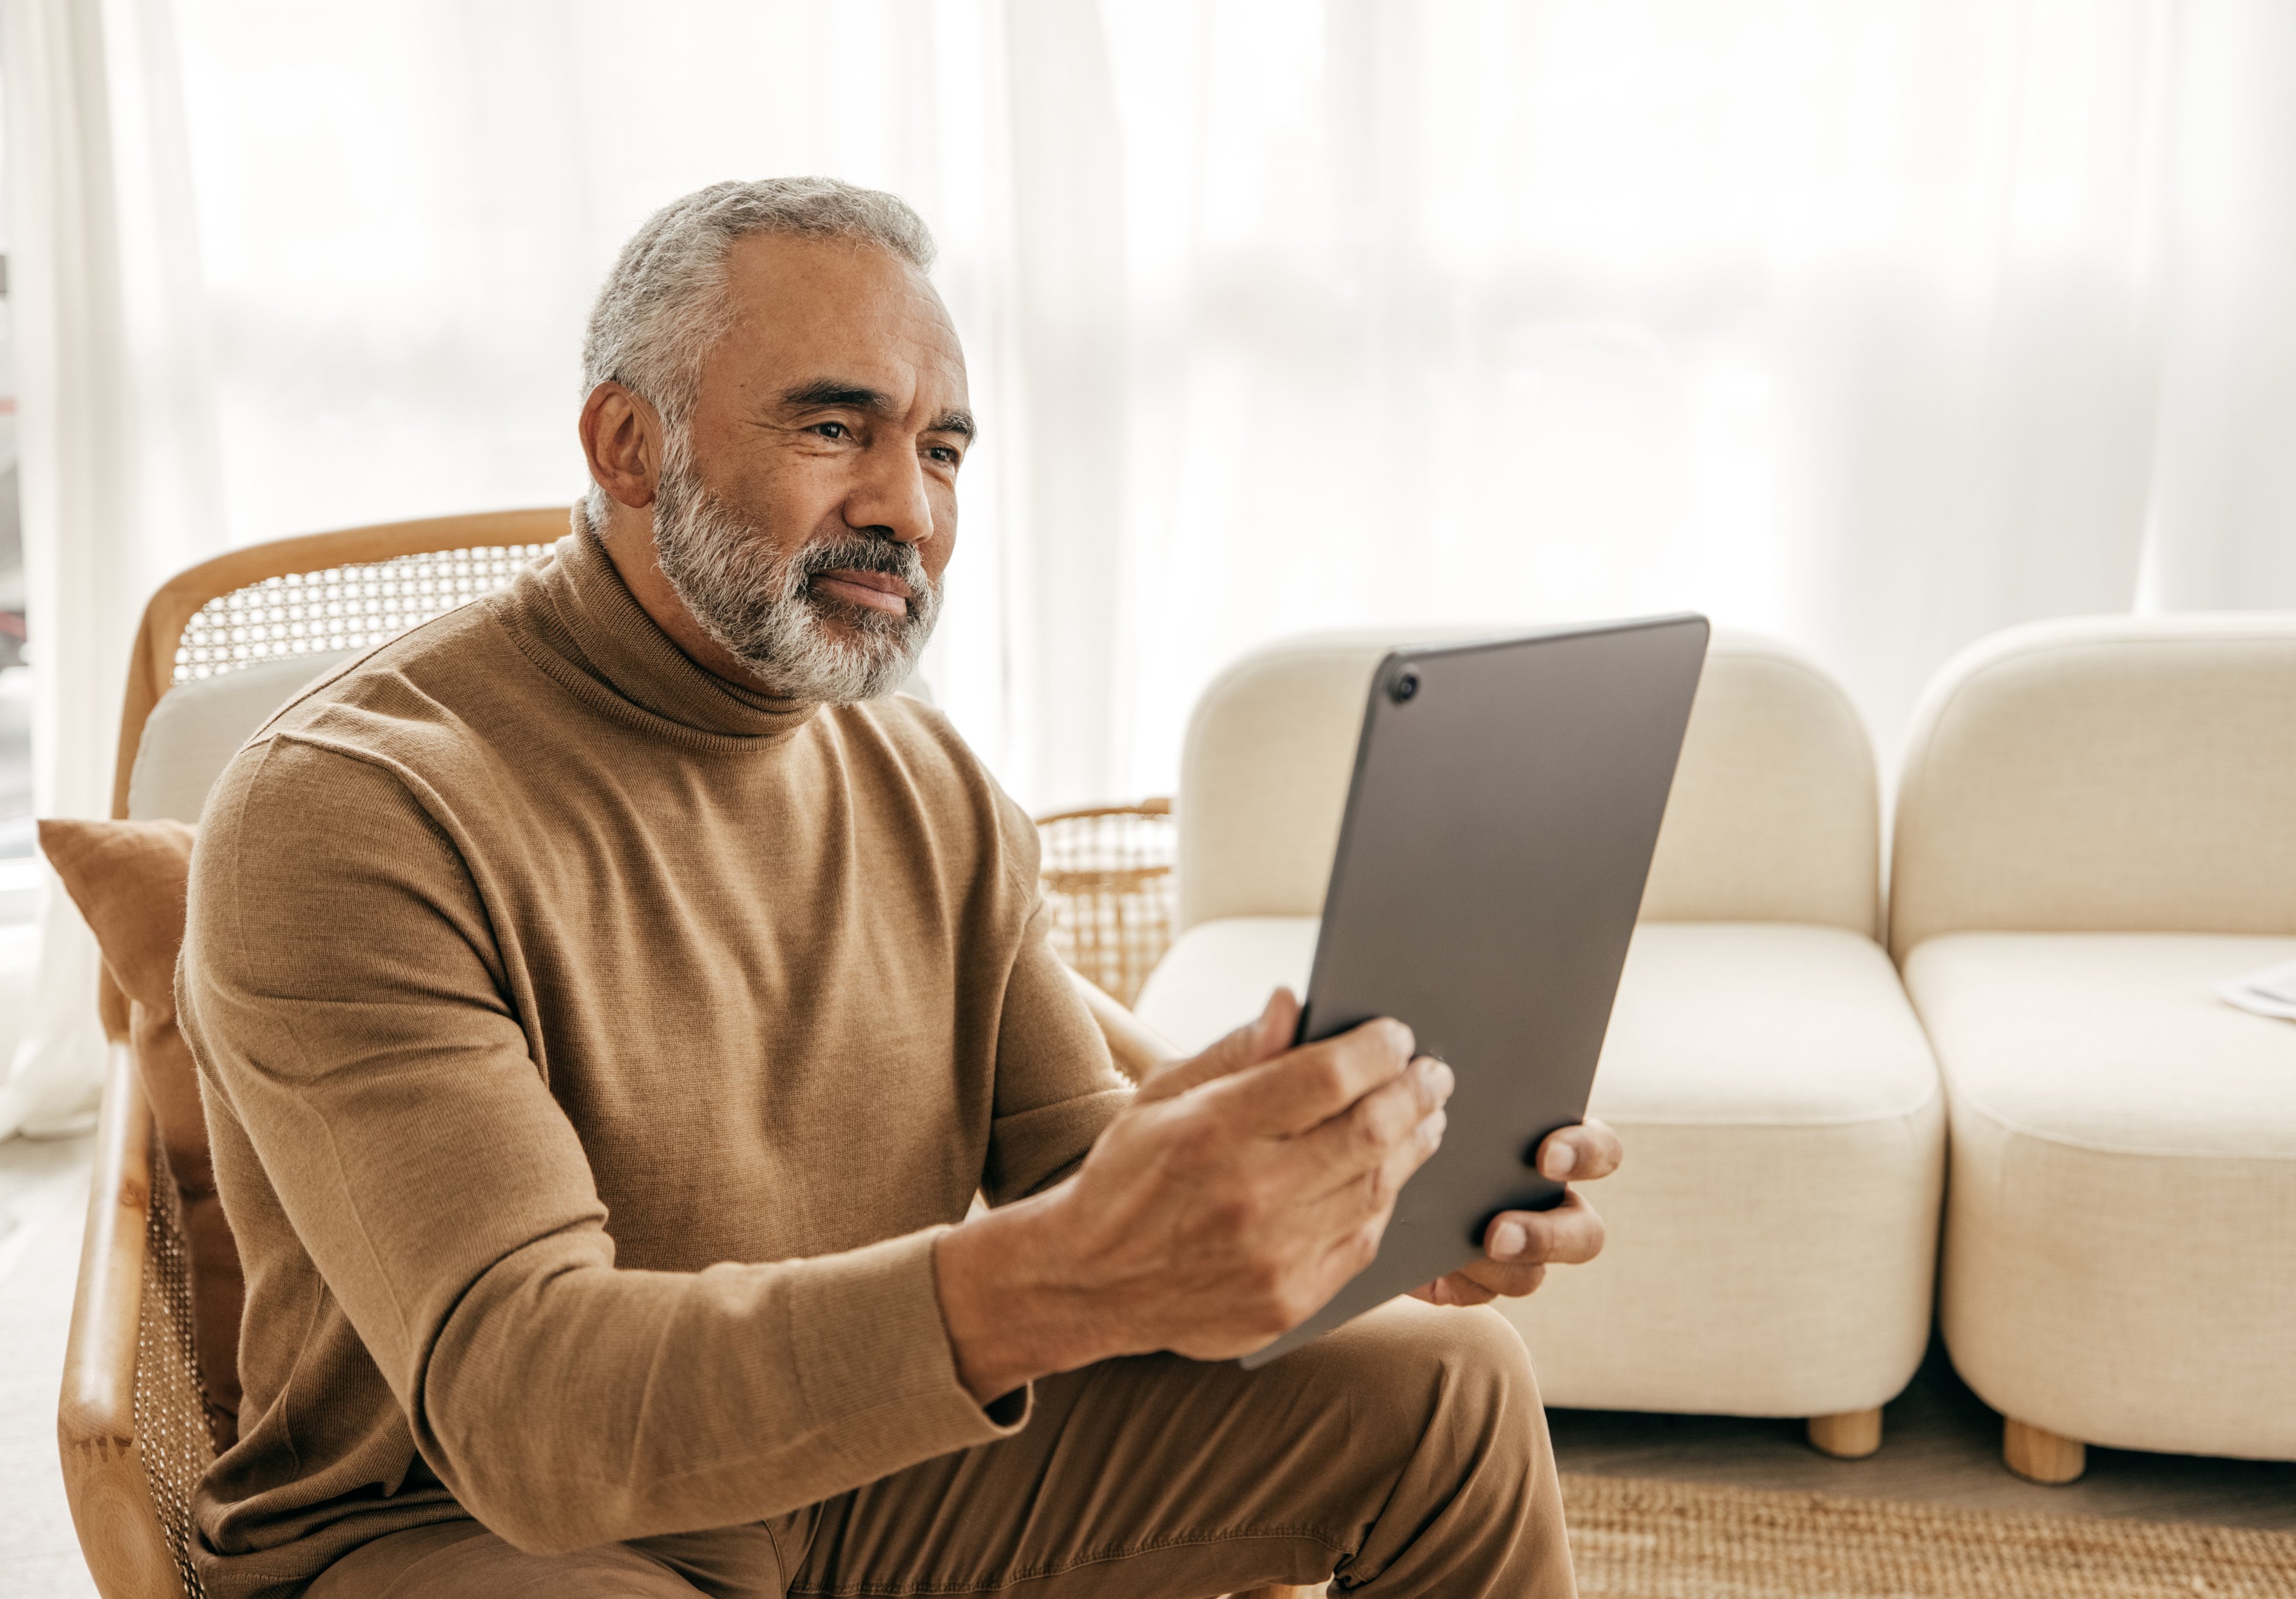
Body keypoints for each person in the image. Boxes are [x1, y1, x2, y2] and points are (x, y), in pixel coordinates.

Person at [179, 177, 1623, 1599]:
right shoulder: (352, 807)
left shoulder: (922, 771)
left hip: (861, 1464)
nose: (907, 508)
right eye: (833, 427)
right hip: (473, 1528)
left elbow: (1074, 1169)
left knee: (1447, 1390)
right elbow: (526, 1413)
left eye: (942, 451)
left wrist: (1320, 1215)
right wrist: (1057, 1276)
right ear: (629, 442)